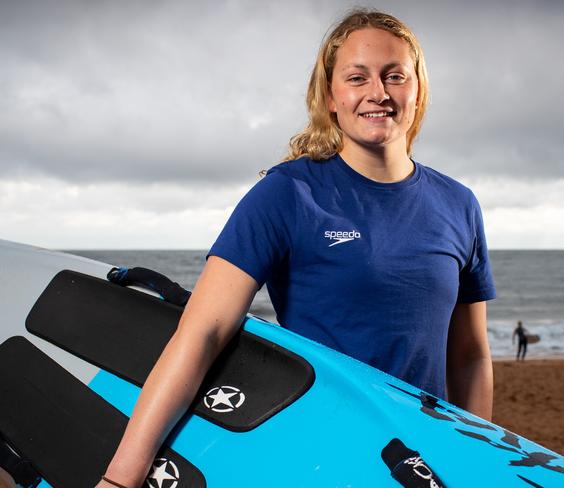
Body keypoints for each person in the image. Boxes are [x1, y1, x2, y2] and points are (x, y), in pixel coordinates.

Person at [97, 9, 496, 487]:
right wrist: (123, 475)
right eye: (357, 77)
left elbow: (470, 354)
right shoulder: (288, 193)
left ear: (417, 90)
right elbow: (202, 332)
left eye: (395, 76)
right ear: (331, 96)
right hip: (317, 451)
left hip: (421, 458)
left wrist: (476, 460)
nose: (378, 93)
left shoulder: (458, 204)